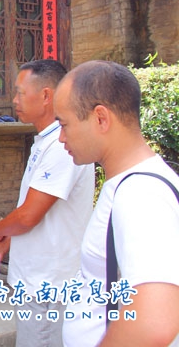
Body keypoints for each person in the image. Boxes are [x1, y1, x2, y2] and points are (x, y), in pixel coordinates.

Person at [54, 60, 179, 346]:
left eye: (64, 124)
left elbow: (153, 322)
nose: (61, 137)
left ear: (101, 118)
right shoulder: (130, 186)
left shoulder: (141, 194)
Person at [0, 59, 95, 347]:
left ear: (46, 96)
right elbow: (38, 215)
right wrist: (4, 245)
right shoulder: (46, 140)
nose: (14, 101)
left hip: (49, 283)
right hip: (35, 279)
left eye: (20, 93)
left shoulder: (63, 146)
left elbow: (28, 215)